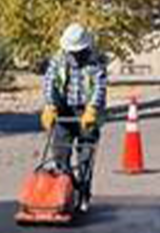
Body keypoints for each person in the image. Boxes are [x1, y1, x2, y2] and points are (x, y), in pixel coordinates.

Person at [39, 23, 108, 213]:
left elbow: (99, 88)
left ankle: (84, 195)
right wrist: (50, 105)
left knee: (86, 158)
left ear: (85, 47)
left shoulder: (96, 61)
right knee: (60, 156)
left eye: (78, 51)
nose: (74, 55)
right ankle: (66, 191)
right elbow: (49, 82)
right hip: (63, 112)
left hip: (86, 113)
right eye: (71, 51)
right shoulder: (59, 59)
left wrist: (92, 109)